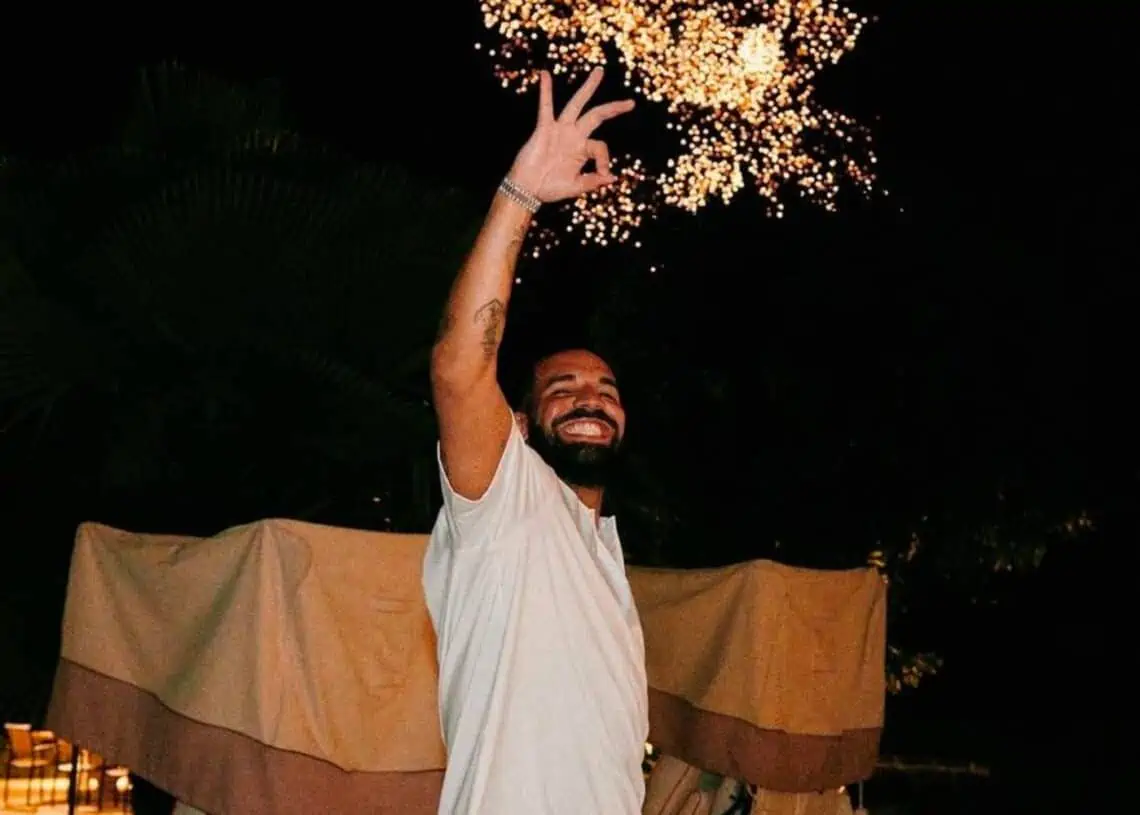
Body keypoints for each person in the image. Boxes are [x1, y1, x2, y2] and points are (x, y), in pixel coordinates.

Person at [423, 67, 648, 814]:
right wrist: (520, 194)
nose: (591, 398)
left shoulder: (605, 556)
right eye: (563, 388)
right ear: (520, 424)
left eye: (607, 390)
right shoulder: (507, 504)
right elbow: (459, 369)